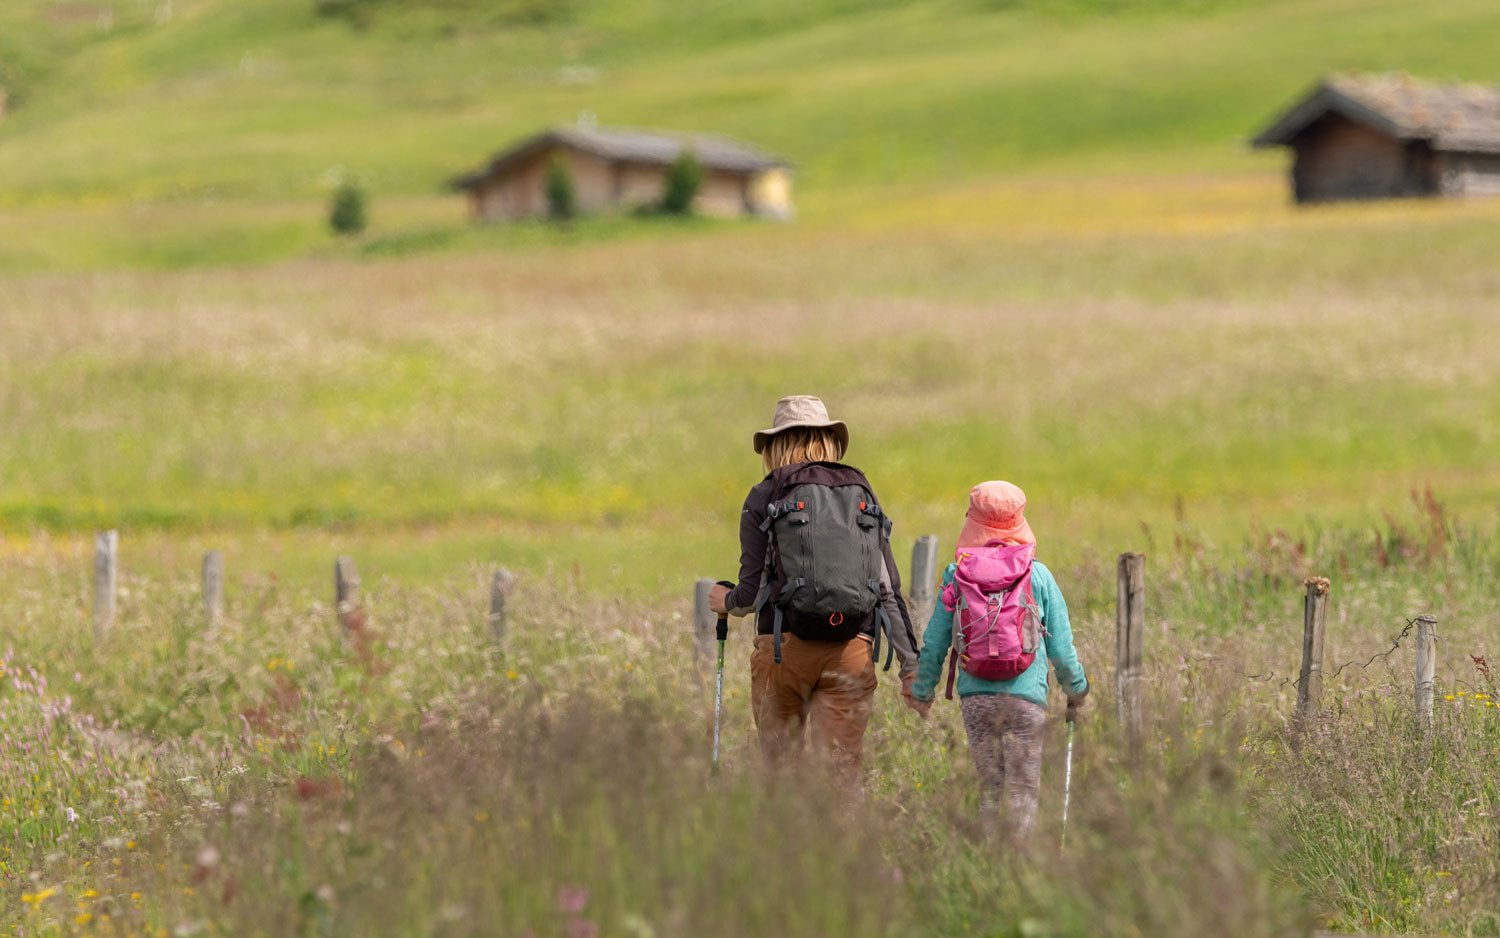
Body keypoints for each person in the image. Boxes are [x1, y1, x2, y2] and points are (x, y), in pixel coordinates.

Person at [708, 395, 924, 786]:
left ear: (775, 444)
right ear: (829, 439)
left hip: (782, 650)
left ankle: (789, 846)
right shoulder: (859, 490)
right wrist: (911, 667)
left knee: (782, 774)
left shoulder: (765, 495)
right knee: (843, 776)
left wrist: (724, 599)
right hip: (852, 650)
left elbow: (752, 591)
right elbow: (888, 588)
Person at [908, 480, 1089, 840]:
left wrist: (922, 691)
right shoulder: (1038, 575)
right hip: (1026, 700)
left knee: (990, 789)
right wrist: (1077, 689)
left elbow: (935, 642)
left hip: (976, 699)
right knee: (1022, 791)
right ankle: (1017, 872)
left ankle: (991, 867)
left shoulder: (957, 575)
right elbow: (1062, 649)